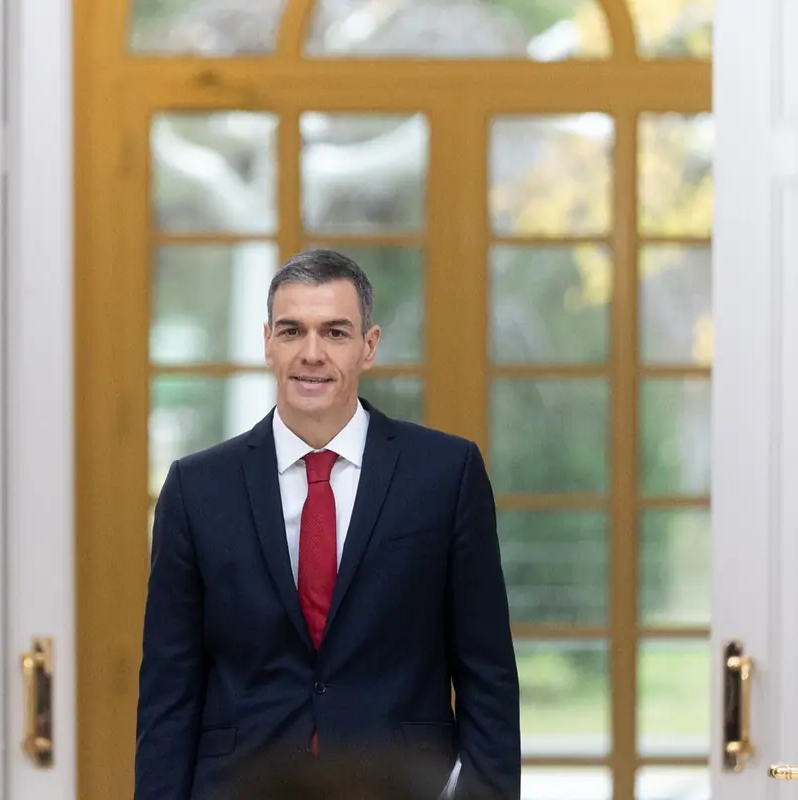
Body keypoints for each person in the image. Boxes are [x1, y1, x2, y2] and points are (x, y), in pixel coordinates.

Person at [135, 249, 520, 799]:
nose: (311, 354)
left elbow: (489, 675)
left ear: (369, 346)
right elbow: (169, 691)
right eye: (292, 331)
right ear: (268, 343)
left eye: (335, 333)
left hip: (401, 783)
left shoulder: (446, 474)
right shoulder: (196, 489)